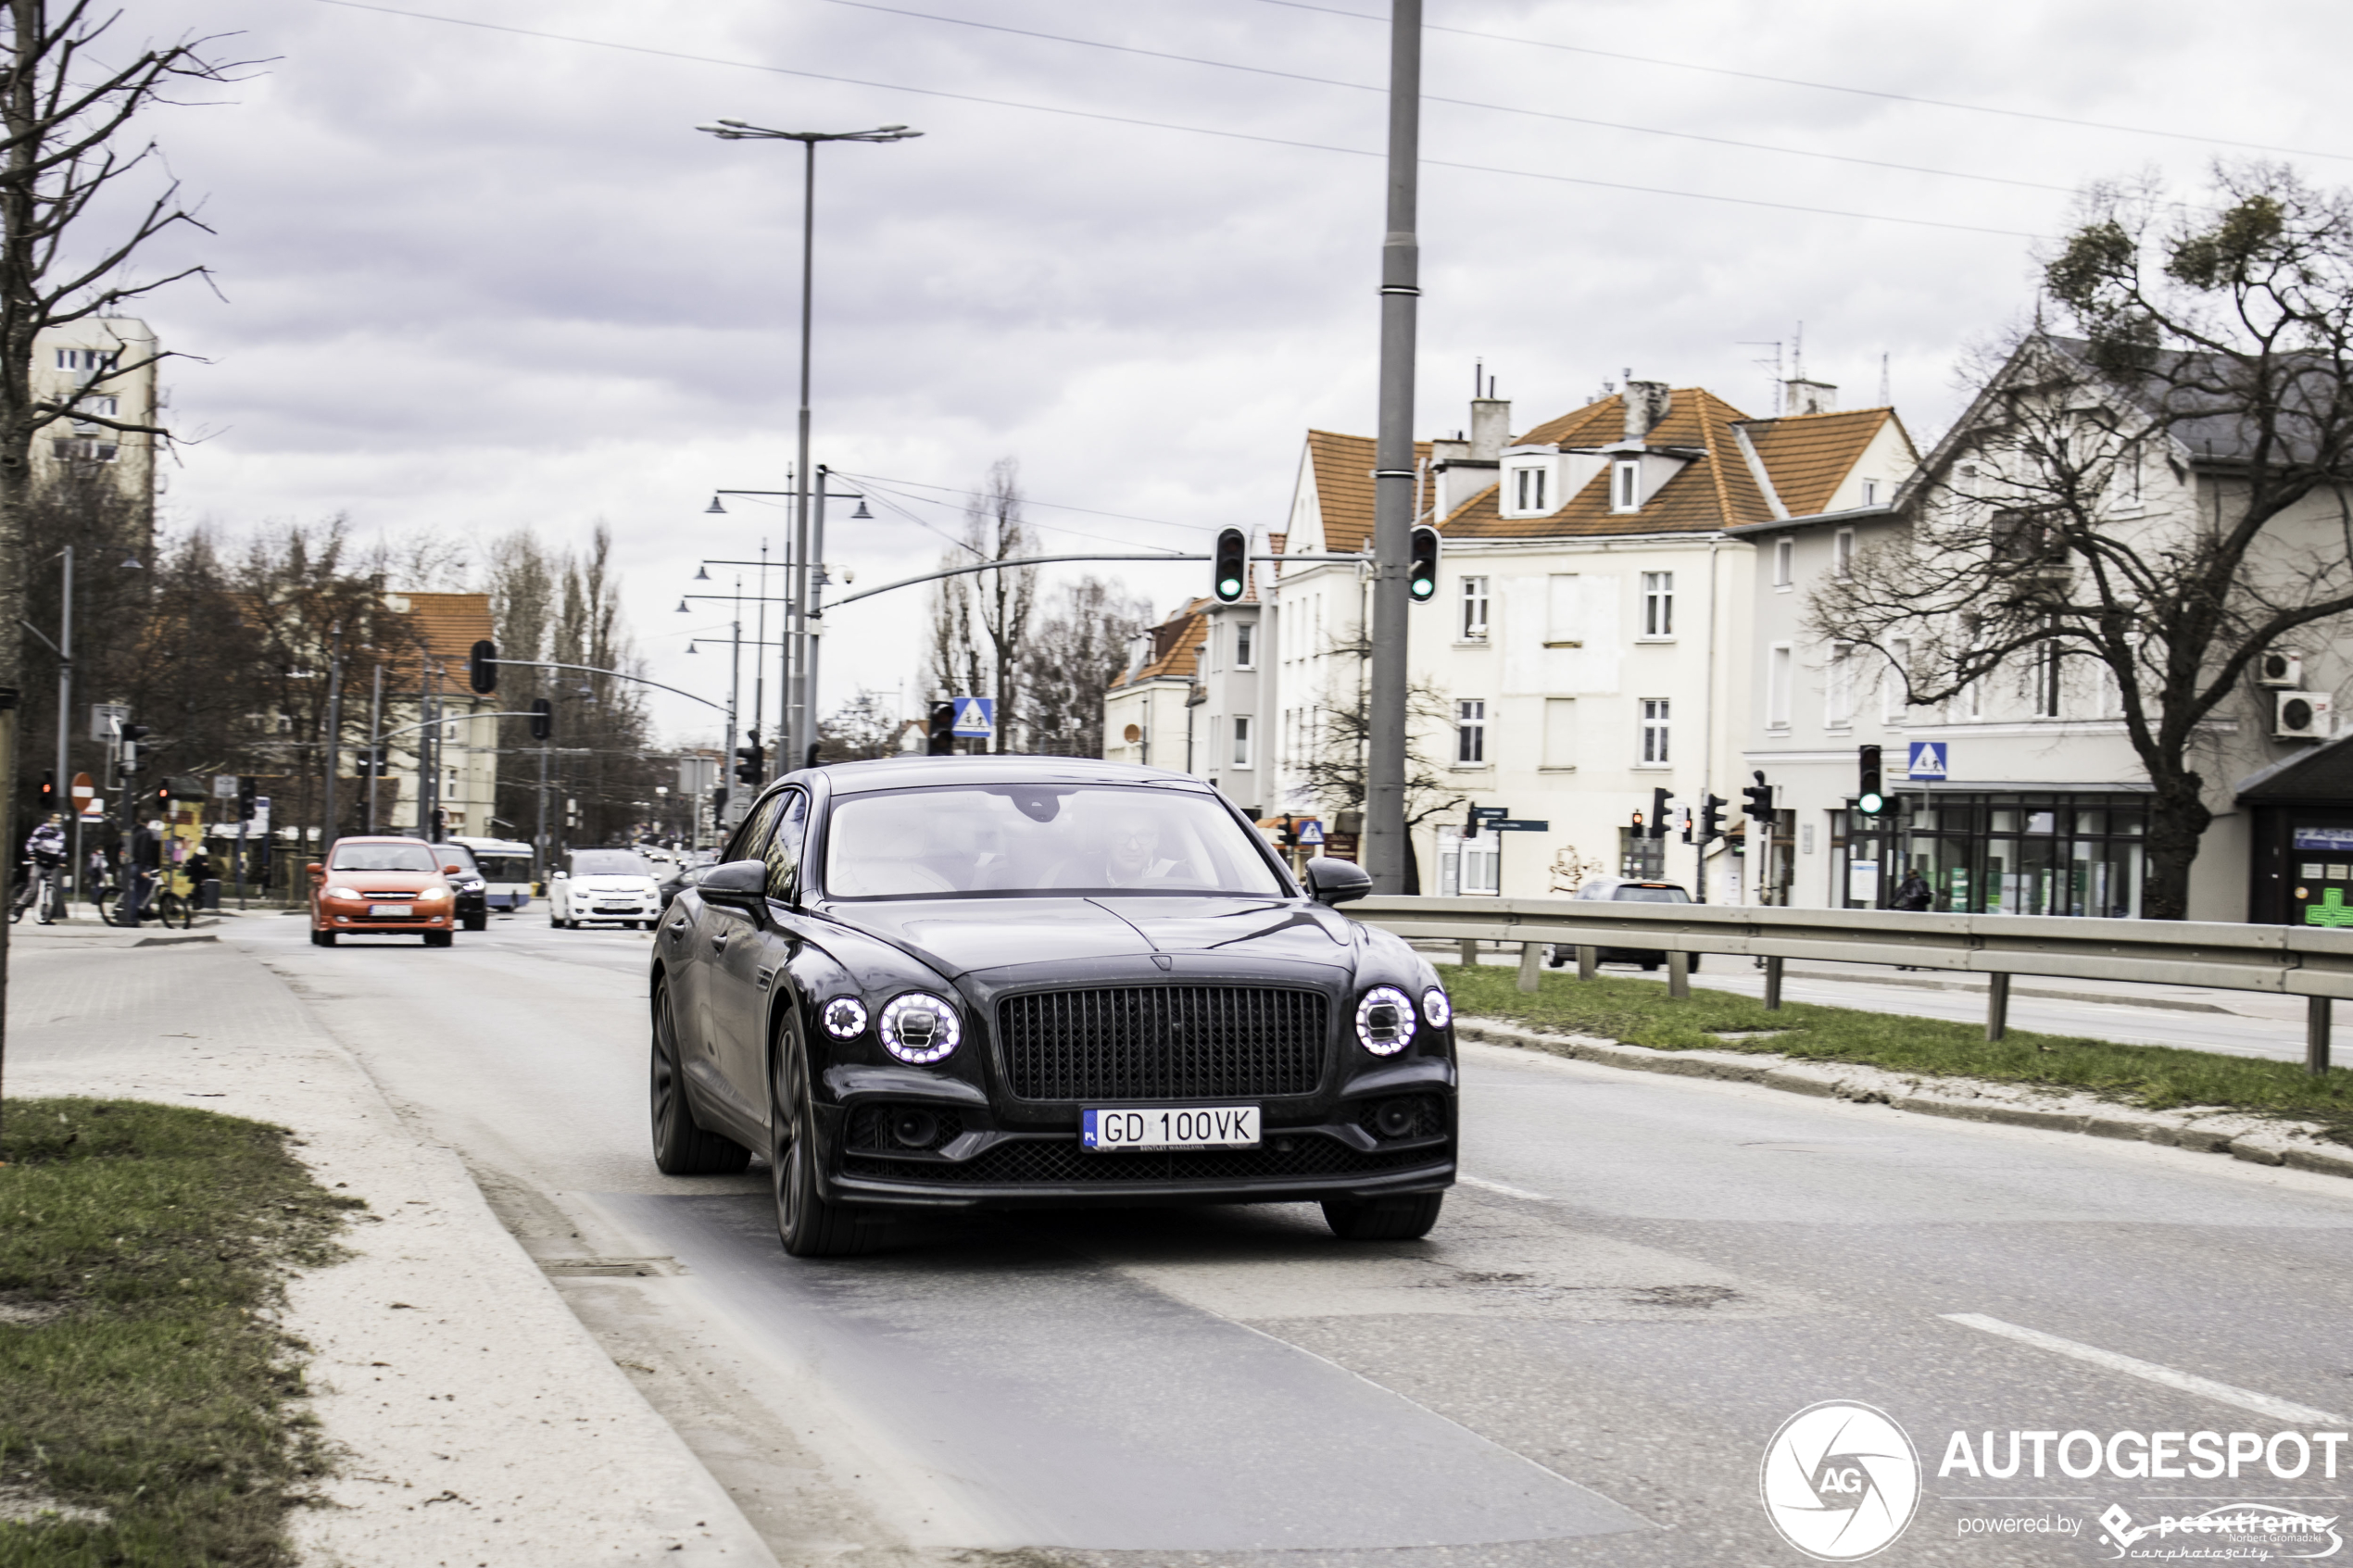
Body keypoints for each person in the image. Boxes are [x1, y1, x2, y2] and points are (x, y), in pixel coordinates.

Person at [24, 813, 65, 923]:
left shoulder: (60, 834)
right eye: (56, 818)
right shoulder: (41, 830)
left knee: (49, 892)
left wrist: (62, 861)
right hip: (39, 863)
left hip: (51, 866)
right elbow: (30, 843)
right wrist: (31, 854)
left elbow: (61, 850)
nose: (58, 821)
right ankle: (18, 908)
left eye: (60, 819)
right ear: (50, 819)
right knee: (32, 890)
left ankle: (45, 917)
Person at [122, 818, 162, 924]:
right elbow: (143, 852)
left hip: (133, 864)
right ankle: (132, 918)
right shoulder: (146, 833)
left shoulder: (134, 832)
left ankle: (146, 911)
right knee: (138, 893)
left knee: (146, 889)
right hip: (141, 866)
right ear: (148, 823)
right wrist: (143, 869)